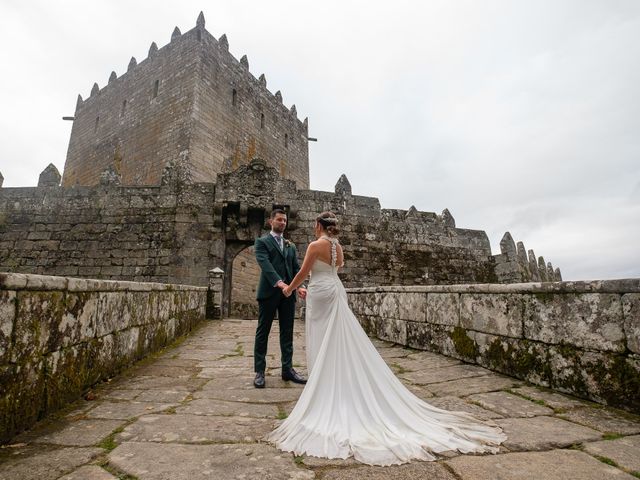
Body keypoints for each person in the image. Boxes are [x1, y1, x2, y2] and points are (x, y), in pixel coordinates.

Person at [267, 211, 506, 466]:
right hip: (335, 291)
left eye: (315, 225)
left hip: (320, 295)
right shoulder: (338, 247)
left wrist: (290, 289)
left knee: (323, 341)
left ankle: (324, 389)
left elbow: (304, 272)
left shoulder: (316, 245)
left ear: (318, 225)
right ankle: (338, 383)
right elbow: (339, 269)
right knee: (338, 340)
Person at [253, 209, 308, 389]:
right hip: (269, 293)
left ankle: (287, 369)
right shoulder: (262, 242)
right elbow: (266, 266)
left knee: (287, 332)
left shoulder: (290, 245)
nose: (282, 223)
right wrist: (281, 283)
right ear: (271, 221)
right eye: (279, 220)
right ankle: (260, 371)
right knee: (263, 332)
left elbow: (295, 267)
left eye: (284, 220)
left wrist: (299, 286)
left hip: (288, 296)